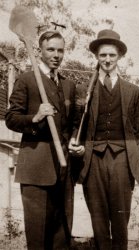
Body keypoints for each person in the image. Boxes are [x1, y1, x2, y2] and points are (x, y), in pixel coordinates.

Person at [69, 29, 139, 250]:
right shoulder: (85, 90)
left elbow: (138, 131)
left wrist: (126, 153)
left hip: (122, 160)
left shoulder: (133, 91)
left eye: (112, 55)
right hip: (92, 161)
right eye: (103, 55)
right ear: (96, 57)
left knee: (120, 217)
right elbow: (76, 125)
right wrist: (75, 142)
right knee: (98, 217)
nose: (107, 60)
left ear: (119, 55)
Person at [5, 31, 75, 250]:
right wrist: (35, 118)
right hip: (36, 167)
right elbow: (12, 118)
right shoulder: (26, 80)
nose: (56, 54)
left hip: (64, 167)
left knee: (62, 233)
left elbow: (72, 123)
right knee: (38, 235)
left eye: (60, 50)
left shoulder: (68, 85)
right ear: (40, 51)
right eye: (50, 49)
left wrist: (74, 139)